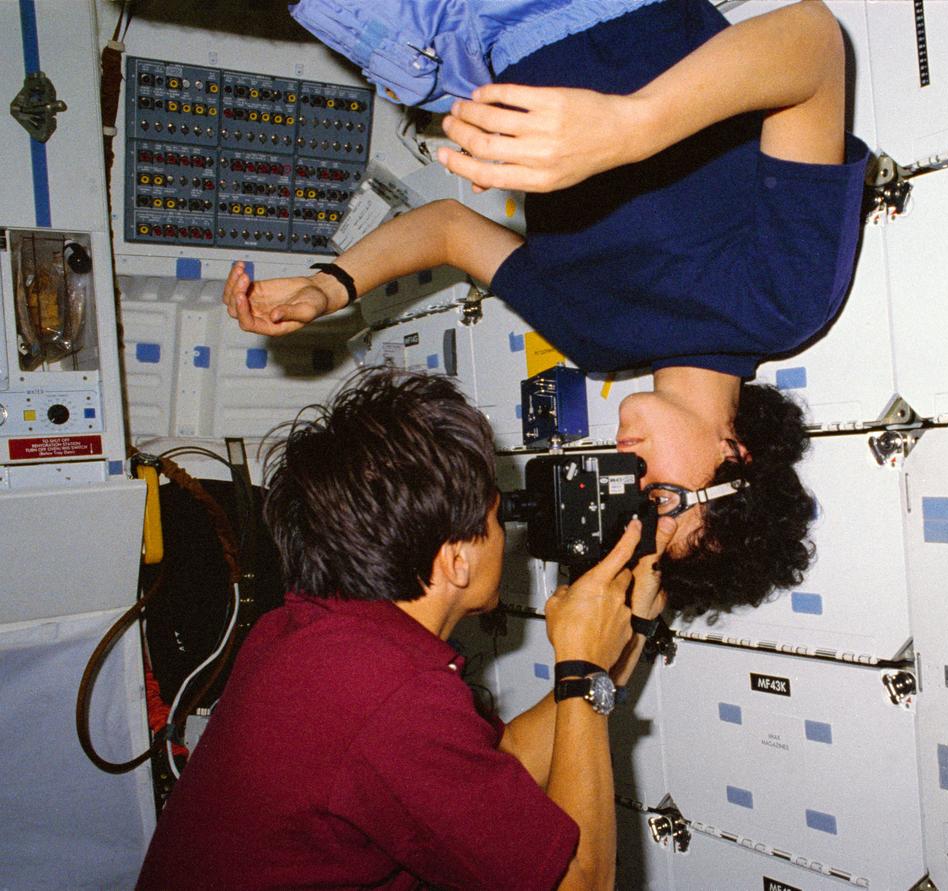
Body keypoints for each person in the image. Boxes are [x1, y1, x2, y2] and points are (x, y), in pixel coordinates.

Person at [223, 0, 869, 616]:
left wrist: (332, 285)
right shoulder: (784, 301)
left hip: (458, 51)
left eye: (634, 504)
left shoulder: (593, 340)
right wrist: (628, 127)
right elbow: (811, 47)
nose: (631, 476)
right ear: (740, 456)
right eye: (662, 496)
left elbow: (449, 230)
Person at [137, 367, 677, 890]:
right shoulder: (389, 693)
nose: (504, 536)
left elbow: (496, 763)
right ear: (454, 561)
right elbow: (582, 884)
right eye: (494, 517)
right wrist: (580, 666)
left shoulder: (304, 630)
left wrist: (630, 628)